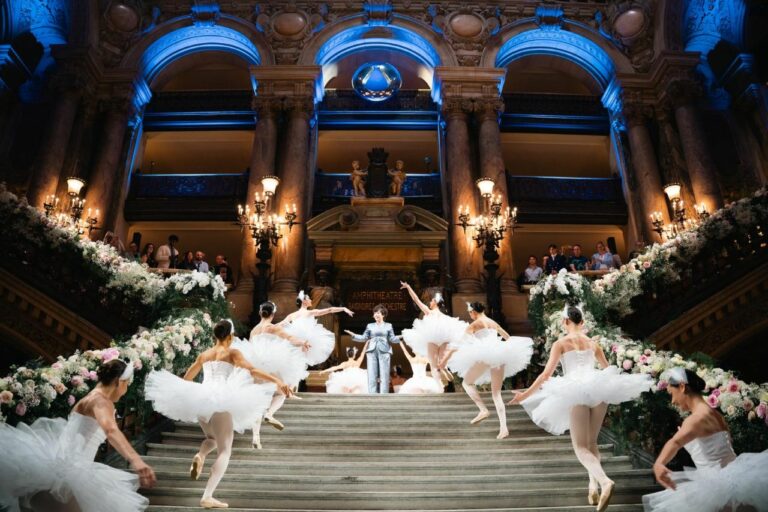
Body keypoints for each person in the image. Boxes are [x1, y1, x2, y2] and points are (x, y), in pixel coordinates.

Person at [510, 305, 653, 511]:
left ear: (565, 321)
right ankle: (592, 486)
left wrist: (524, 395)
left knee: (580, 447)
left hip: (574, 390)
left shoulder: (561, 343)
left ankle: (604, 481)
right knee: (591, 442)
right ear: (582, 322)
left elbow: (546, 375)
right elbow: (608, 370)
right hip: (598, 389)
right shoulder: (593, 343)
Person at [145, 319, 288, 508]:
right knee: (225, 450)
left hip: (202, 399)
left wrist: (191, 394)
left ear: (215, 336)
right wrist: (277, 381)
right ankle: (207, 496)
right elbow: (252, 370)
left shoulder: (205, 354)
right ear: (230, 336)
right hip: (222, 400)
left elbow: (187, 378)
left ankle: (200, 455)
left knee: (211, 438)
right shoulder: (232, 352)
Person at [0, 359, 156, 512]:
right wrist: (136, 461)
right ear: (118, 381)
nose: (126, 389)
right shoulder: (101, 401)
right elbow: (111, 430)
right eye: (126, 384)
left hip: (58, 473)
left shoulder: (89, 398)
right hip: (68, 476)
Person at [643, 368, 768, 512]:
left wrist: (659, 464)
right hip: (735, 479)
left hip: (717, 485)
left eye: (672, 394)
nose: (673, 401)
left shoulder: (697, 418)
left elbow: (675, 442)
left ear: (682, 387)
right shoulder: (716, 415)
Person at [441, 302, 533, 439]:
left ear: (473, 312)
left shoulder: (474, 324)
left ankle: (483, 409)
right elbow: (507, 337)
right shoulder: (492, 322)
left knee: (467, 383)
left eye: (469, 313)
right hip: (499, 356)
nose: (470, 315)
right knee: (496, 394)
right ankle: (504, 429)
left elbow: (459, 344)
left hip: (484, 356)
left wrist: (445, 359)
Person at [234, 302, 310, 449]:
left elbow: (251, 347)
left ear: (260, 313)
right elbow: (290, 338)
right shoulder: (272, 327)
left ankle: (256, 437)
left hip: (255, 366)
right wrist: (303, 342)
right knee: (282, 393)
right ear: (273, 314)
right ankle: (269, 414)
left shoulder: (254, 330)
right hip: (272, 364)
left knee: (258, 402)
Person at [400, 281, 467, 384]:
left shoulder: (429, 312)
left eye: (431, 301)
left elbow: (416, 299)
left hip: (432, 339)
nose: (430, 303)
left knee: (434, 367)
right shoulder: (445, 317)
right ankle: (444, 369)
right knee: (442, 364)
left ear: (435, 302)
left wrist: (408, 287)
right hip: (444, 339)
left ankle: (438, 385)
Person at [279, 290, 354, 366]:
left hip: (296, 338)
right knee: (301, 357)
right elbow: (329, 310)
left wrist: (270, 327)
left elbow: (280, 324)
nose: (311, 300)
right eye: (309, 299)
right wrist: (343, 308)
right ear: (304, 301)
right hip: (304, 338)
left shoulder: (292, 315)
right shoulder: (309, 312)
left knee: (298, 358)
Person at [345, 304, 400, 394]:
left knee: (384, 375)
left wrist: (403, 336)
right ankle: (372, 395)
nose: (376, 314)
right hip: (371, 351)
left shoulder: (388, 325)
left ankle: (383, 395)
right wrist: (353, 335)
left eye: (378, 313)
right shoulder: (370, 325)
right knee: (371, 374)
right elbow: (364, 337)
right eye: (375, 313)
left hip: (384, 351)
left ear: (383, 314)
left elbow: (392, 339)